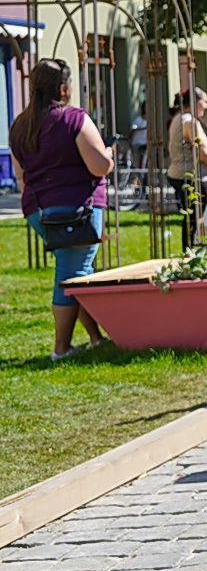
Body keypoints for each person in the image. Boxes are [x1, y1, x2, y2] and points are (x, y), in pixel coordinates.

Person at [9, 59, 113, 360]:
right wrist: (108, 154)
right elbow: (98, 166)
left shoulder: (19, 125)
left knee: (75, 270)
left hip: (38, 209)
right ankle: (62, 349)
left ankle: (95, 338)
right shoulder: (74, 118)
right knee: (72, 272)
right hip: (78, 208)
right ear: (63, 88)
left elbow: (19, 175)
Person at [168, 88, 207, 247]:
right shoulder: (190, 122)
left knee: (192, 216)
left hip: (180, 174)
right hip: (192, 176)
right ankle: (193, 250)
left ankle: (190, 250)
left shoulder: (180, 118)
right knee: (198, 217)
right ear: (195, 102)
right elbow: (203, 154)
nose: (206, 105)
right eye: (204, 101)